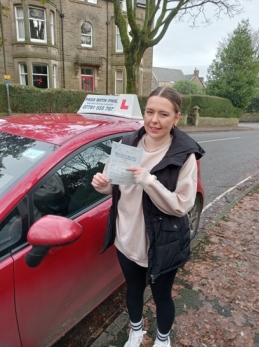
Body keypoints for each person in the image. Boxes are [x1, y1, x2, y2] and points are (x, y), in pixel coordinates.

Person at [91, 86, 205, 347]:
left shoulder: (183, 155)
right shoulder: (127, 143)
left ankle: (162, 339)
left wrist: (149, 181)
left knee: (162, 296)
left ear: (176, 118)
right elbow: (115, 184)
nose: (154, 120)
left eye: (163, 114)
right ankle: (136, 331)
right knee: (133, 290)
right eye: (150, 112)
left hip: (163, 244)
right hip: (126, 239)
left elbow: (181, 205)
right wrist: (103, 185)